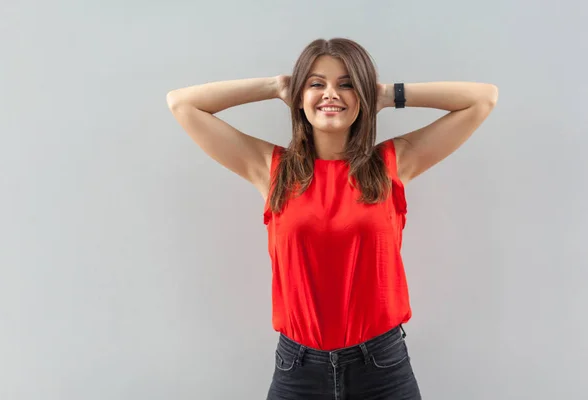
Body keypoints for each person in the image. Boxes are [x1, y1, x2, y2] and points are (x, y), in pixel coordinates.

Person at [166, 38, 498, 399]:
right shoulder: (272, 169)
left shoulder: (391, 163)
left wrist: (387, 95)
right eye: (316, 83)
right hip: (298, 369)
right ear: (299, 95)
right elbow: (182, 104)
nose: (330, 94)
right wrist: (276, 86)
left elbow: (482, 99)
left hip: (382, 368)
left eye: (346, 84)